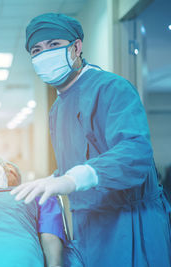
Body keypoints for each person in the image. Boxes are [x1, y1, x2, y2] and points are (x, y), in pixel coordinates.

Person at [10, 13, 171, 266]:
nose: (44, 54)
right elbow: (76, 163)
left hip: (131, 225)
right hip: (90, 229)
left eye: (53, 45)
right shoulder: (57, 109)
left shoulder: (112, 88)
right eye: (36, 50)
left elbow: (135, 154)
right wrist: (54, 179)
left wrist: (72, 179)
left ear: (76, 48)